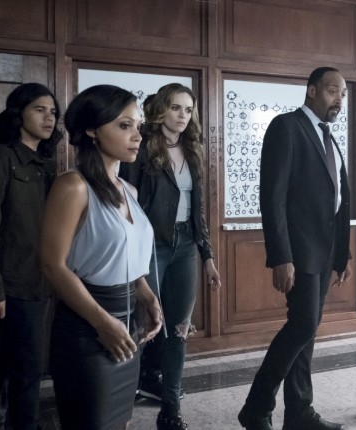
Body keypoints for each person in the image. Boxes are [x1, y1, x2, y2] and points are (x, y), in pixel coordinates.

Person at [40, 84, 163, 430]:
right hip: (86, 329)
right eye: (124, 126)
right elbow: (52, 264)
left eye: (138, 126)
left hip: (127, 327)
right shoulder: (73, 186)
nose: (137, 136)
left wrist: (146, 293)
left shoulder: (129, 190)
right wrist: (102, 322)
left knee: (120, 422)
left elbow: (123, 254)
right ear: (93, 130)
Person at [238, 67, 352, 430]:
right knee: (302, 324)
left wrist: (341, 254)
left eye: (343, 94)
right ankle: (256, 408)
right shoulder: (286, 127)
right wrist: (281, 256)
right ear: (312, 90)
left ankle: (299, 412)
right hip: (299, 251)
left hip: (324, 251)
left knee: (308, 329)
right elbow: (272, 197)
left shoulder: (329, 137)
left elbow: (337, 200)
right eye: (333, 91)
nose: (339, 100)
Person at [119, 83, 221, 430]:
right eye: (176, 108)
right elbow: (126, 203)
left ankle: (171, 409)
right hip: (151, 246)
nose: (182, 116)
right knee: (143, 325)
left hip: (186, 246)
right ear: (162, 109)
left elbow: (198, 208)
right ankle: (122, 407)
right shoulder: (143, 147)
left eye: (188, 110)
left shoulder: (193, 150)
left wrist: (207, 256)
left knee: (178, 330)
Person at [0, 82, 63, 430]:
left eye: (53, 112)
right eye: (40, 110)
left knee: (29, 366)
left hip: (44, 280)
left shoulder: (47, 164)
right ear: (18, 113)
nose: (49, 118)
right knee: (20, 368)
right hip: (13, 283)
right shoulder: (3, 157)